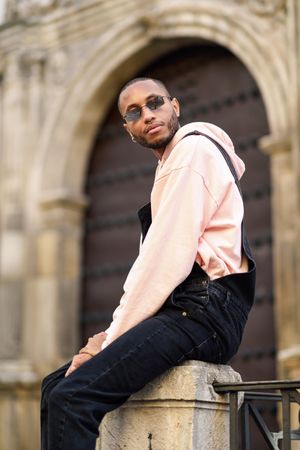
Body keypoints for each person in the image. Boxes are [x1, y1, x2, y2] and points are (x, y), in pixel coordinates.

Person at [41, 77, 256, 450]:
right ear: (128, 130)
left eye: (155, 103)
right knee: (54, 387)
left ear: (175, 106)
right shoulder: (174, 164)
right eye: (134, 112)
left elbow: (163, 261)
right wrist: (109, 337)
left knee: (71, 398)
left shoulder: (191, 154)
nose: (148, 115)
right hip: (190, 312)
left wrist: (109, 339)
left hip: (203, 313)